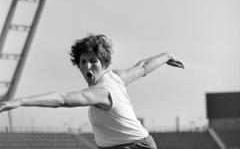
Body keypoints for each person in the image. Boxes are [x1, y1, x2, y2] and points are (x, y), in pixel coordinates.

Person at [0, 34, 184, 149]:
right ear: (78, 66)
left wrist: (18, 102)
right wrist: (167, 56)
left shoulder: (101, 92)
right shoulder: (117, 77)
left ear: (103, 63)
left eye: (93, 60)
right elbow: (143, 67)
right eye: (83, 62)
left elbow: (62, 99)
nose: (88, 65)